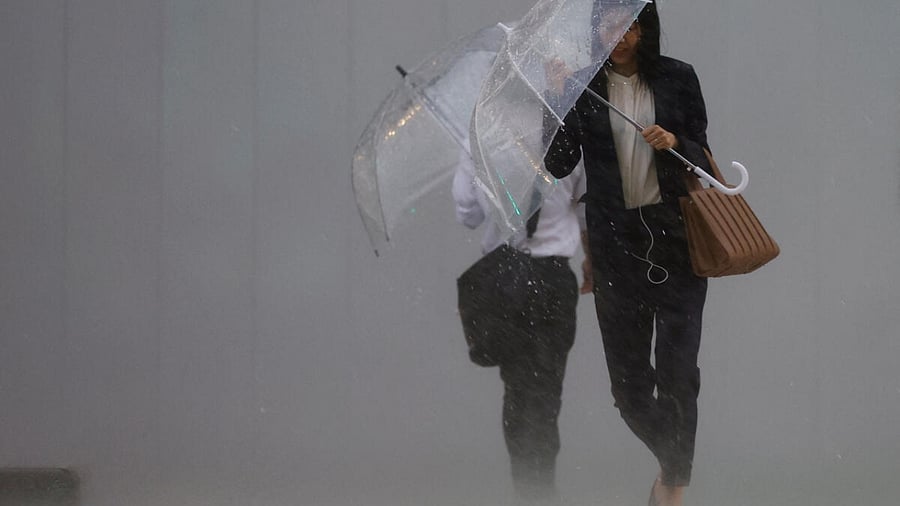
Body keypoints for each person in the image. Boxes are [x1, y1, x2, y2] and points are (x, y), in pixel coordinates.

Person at [543, 3, 711, 506]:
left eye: (630, 24)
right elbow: (557, 163)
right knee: (630, 390)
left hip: (676, 243)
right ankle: (673, 463)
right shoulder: (582, 88)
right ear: (597, 32)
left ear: (645, 28)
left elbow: (702, 152)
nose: (620, 35)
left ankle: (672, 492)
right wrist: (556, 96)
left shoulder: (678, 77)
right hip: (618, 249)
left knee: (679, 376)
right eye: (609, 26)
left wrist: (675, 140)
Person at [452, 148, 589, 504]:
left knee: (518, 390)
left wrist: (474, 161)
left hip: (505, 277)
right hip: (554, 275)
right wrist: (592, 259)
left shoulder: (482, 140)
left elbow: (467, 212)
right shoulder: (572, 139)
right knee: (546, 392)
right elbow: (589, 206)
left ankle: (529, 487)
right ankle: (540, 486)